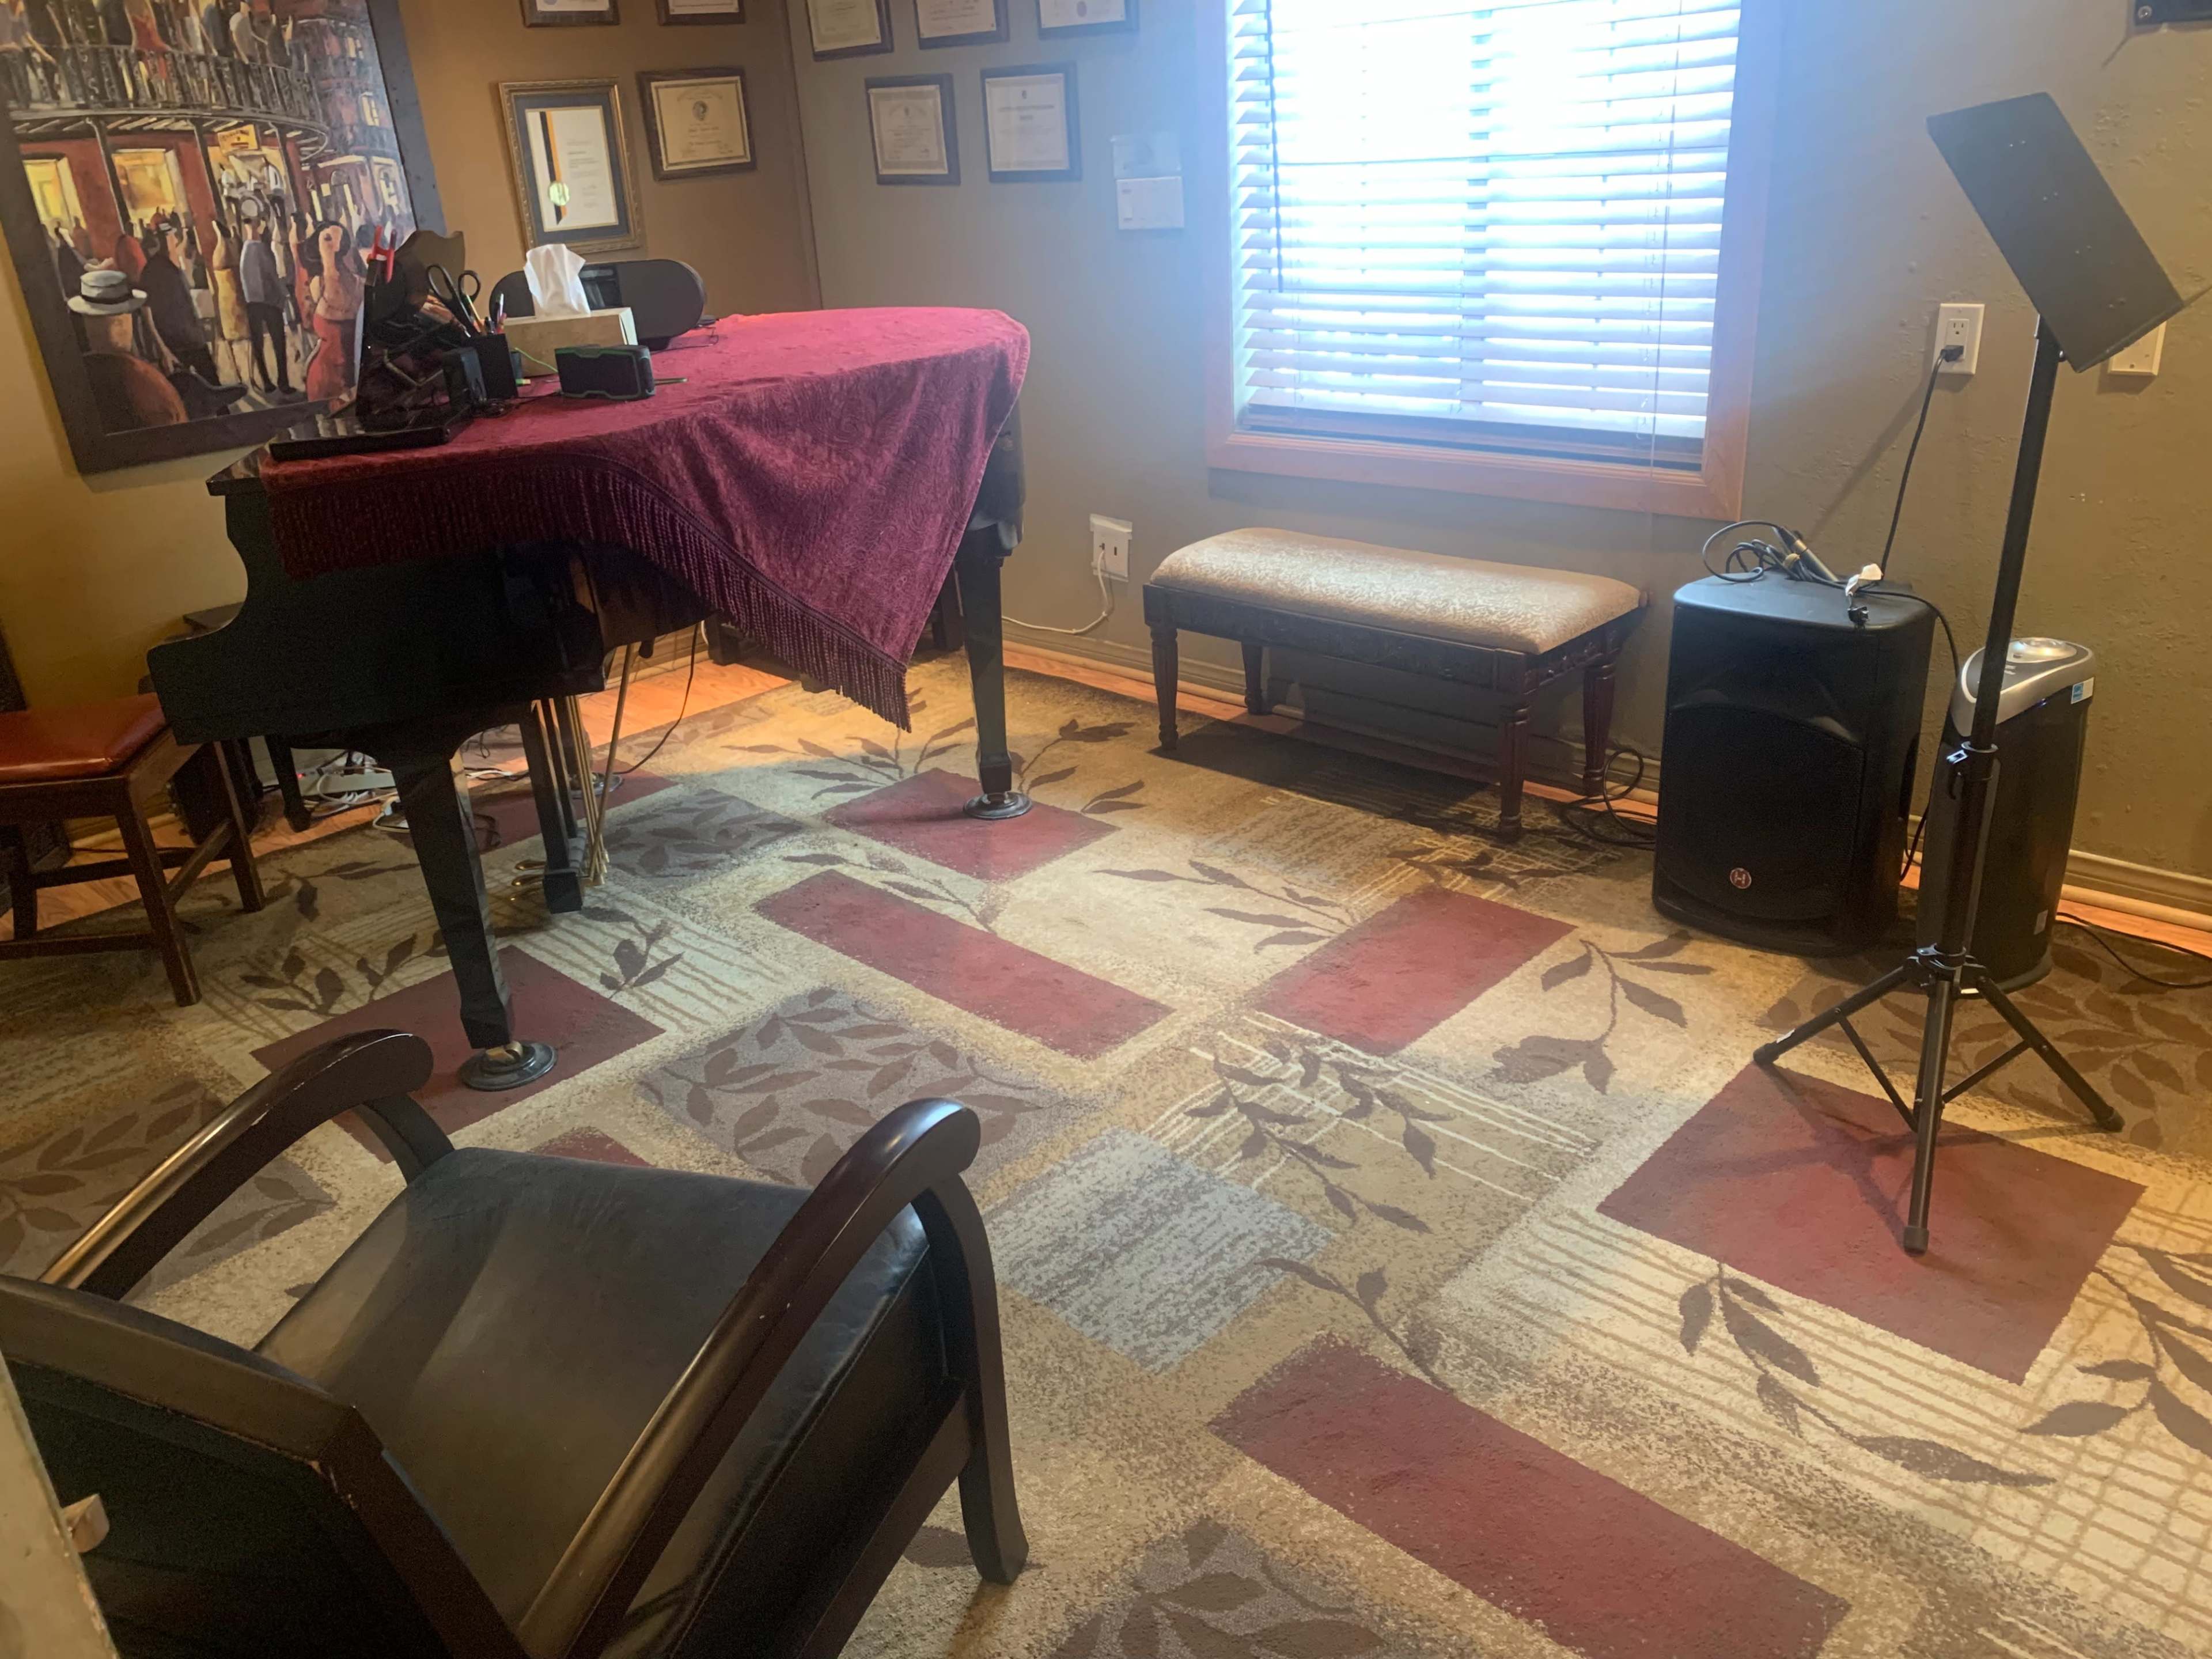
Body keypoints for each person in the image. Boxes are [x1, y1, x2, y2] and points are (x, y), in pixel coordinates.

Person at [137, 216, 221, 387]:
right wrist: (163, 350)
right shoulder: (152, 270)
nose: (169, 239)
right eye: (164, 235)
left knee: (213, 387)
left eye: (170, 235)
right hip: (175, 345)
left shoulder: (176, 264)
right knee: (185, 392)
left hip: (194, 339)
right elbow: (147, 313)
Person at [301, 218, 362, 403]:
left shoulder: (359, 284)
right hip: (325, 376)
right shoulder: (316, 284)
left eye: (338, 238)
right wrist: (328, 262)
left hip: (354, 372)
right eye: (328, 239)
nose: (334, 244)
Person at [238, 215, 288, 393]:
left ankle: (267, 382)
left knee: (258, 342)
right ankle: (283, 382)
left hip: (253, 302)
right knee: (278, 342)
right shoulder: (261, 249)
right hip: (269, 301)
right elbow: (272, 275)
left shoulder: (245, 250)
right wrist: (283, 294)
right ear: (257, 225)